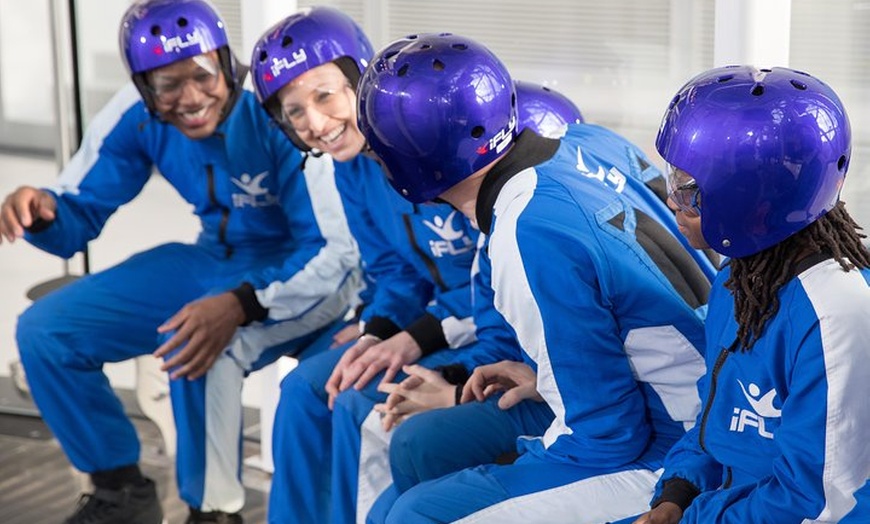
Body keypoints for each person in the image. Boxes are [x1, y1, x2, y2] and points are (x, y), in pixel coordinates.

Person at [2, 1, 360, 522]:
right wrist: (44, 212)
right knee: (45, 330)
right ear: (145, 86)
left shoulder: (282, 109)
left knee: (198, 344)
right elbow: (78, 210)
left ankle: (213, 511)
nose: (190, 98)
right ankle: (119, 491)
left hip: (306, 271)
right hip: (212, 258)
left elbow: (332, 250)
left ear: (224, 60)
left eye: (202, 76)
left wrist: (238, 305)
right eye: (167, 85)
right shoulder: (138, 112)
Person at [356, 33, 713, 523]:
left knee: (415, 515)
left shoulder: (525, 229)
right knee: (422, 445)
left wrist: (529, 457)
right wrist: (549, 382)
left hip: (677, 443)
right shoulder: (588, 140)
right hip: (682, 394)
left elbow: (605, 436)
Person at [249, 8, 479, 524]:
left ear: (361, 79)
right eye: (294, 112)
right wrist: (375, 333)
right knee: (306, 388)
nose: (315, 124)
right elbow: (395, 274)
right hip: (432, 325)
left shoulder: (436, 150)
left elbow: (494, 286)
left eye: (325, 95)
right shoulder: (350, 170)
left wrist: (413, 337)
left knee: (358, 403)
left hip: (485, 331)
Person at [632, 66, 870, 523]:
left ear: (750, 197)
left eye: (689, 191)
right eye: (672, 182)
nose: (672, 203)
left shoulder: (836, 316)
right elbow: (713, 419)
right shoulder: (740, 278)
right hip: (721, 506)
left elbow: (818, 502)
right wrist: (676, 496)